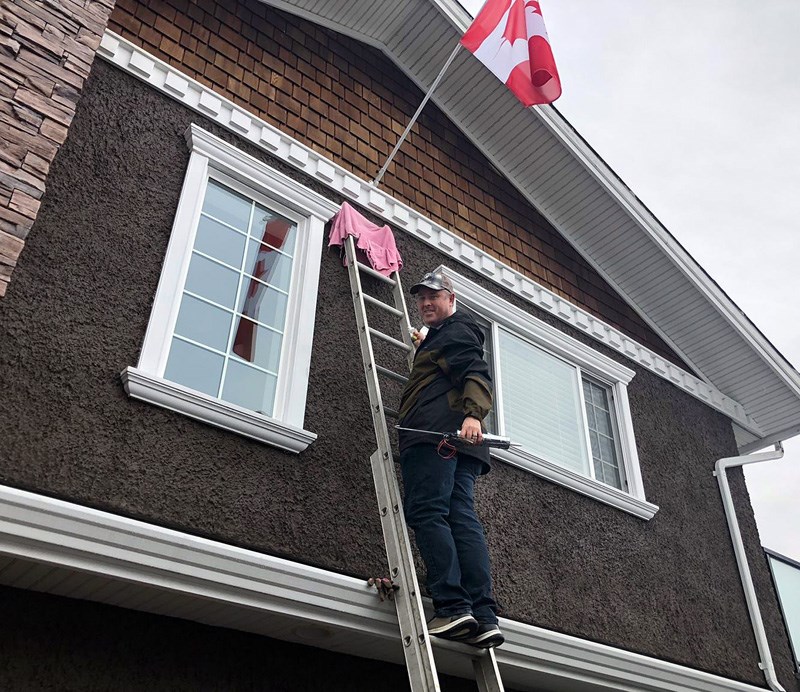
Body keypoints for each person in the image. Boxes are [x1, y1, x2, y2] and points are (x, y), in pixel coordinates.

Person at [397, 271, 503, 649]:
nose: (426, 302)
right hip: (460, 443)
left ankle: (453, 606)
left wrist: (474, 414)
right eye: (421, 298)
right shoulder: (446, 336)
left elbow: (474, 370)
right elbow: (453, 367)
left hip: (436, 436)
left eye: (434, 296)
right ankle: (483, 615)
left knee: (427, 511)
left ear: (451, 298)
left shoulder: (457, 330)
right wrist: (428, 343)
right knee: (460, 518)